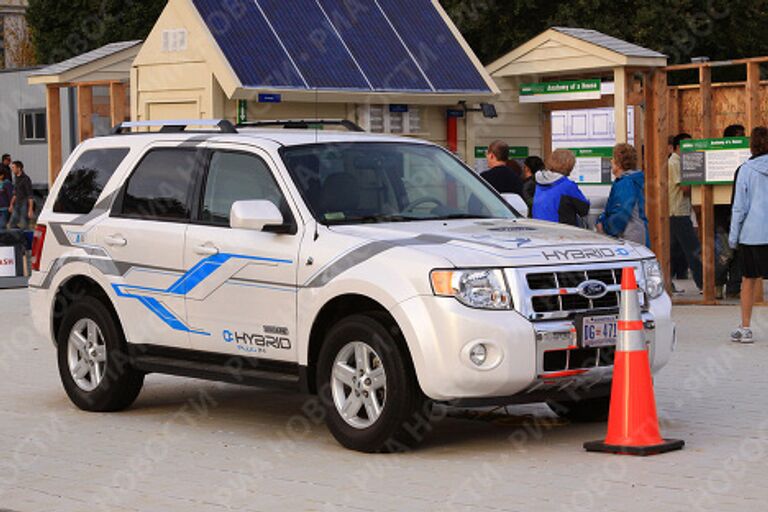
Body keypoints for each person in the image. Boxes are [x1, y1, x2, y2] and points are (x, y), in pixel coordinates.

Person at [729, 126, 768, 343]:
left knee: (749, 281)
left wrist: (733, 238)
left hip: (752, 234)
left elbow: (739, 208)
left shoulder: (745, 170)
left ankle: (745, 328)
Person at [596, 143, 649, 246]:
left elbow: (621, 213)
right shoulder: (635, 179)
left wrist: (605, 227)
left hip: (629, 239)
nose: (611, 161)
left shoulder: (626, 183)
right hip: (638, 236)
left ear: (619, 163)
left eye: (613, 158)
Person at [669, 133, 703, 291]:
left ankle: (666, 284)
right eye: (686, 146)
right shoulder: (675, 162)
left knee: (672, 251)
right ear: (676, 148)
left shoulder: (678, 161)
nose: (690, 149)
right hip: (678, 212)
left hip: (678, 211)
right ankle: (704, 284)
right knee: (693, 249)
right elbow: (684, 188)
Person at [720, 124, 747, 298]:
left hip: (729, 211)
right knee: (727, 252)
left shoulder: (742, 161)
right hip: (723, 212)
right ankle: (724, 286)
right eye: (740, 136)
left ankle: (731, 287)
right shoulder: (735, 160)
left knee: (733, 252)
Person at [532, 149, 590, 227]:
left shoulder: (539, 181)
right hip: (561, 232)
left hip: (540, 229)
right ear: (570, 165)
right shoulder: (567, 185)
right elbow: (584, 209)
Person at [8, 161, 34, 230]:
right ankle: (16, 237)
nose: (12, 169)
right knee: (12, 224)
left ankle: (25, 238)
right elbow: (15, 193)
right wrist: (11, 204)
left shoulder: (26, 179)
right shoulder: (16, 178)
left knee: (24, 225)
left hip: (24, 204)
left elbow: (30, 195)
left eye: (13, 167)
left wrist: (30, 209)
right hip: (17, 203)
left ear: (19, 168)